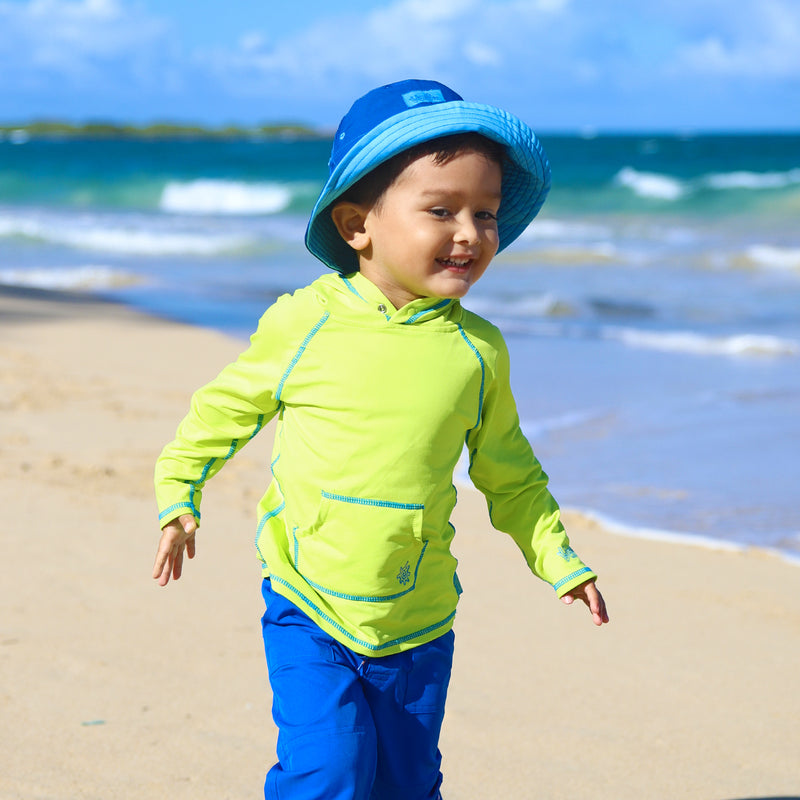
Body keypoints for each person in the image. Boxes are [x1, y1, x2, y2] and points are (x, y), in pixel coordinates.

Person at [152, 78, 609, 800]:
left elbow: (510, 472)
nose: (471, 233)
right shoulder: (305, 323)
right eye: (441, 210)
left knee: (404, 781)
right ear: (356, 224)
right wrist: (179, 492)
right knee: (329, 770)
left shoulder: (477, 352)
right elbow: (223, 410)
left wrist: (558, 559)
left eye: (486, 213)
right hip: (307, 599)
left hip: (418, 617)